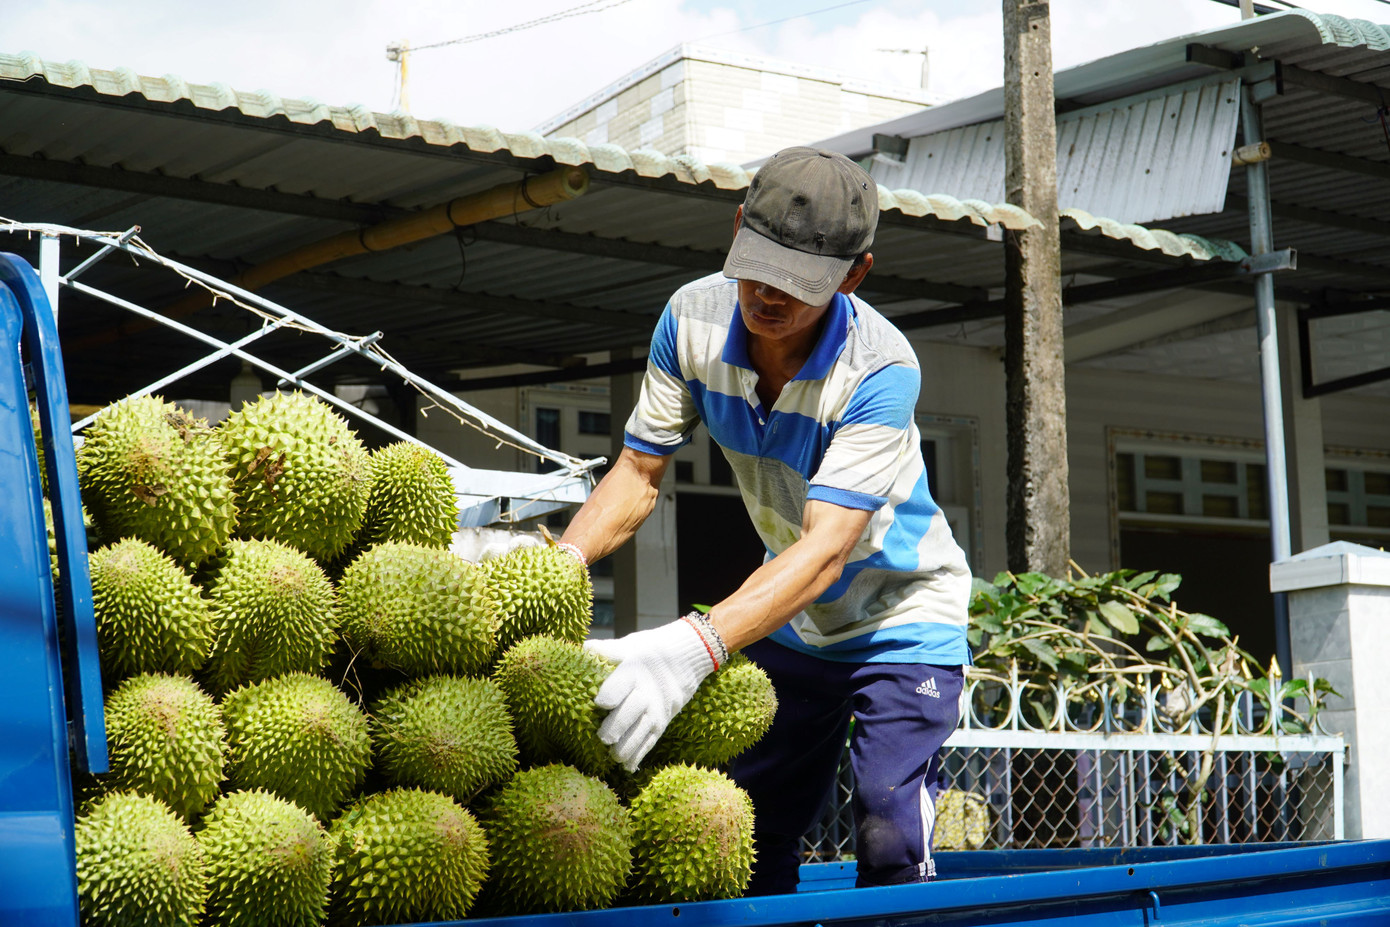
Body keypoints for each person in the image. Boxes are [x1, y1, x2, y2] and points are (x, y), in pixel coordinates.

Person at [557, 146, 971, 894]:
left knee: (886, 822)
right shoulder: (690, 317)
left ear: (854, 275)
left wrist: (696, 644)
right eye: (757, 266)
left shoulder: (880, 368)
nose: (769, 296)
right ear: (738, 226)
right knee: (750, 824)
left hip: (904, 614)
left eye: (799, 284)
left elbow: (824, 550)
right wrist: (559, 566)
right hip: (794, 617)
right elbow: (638, 473)